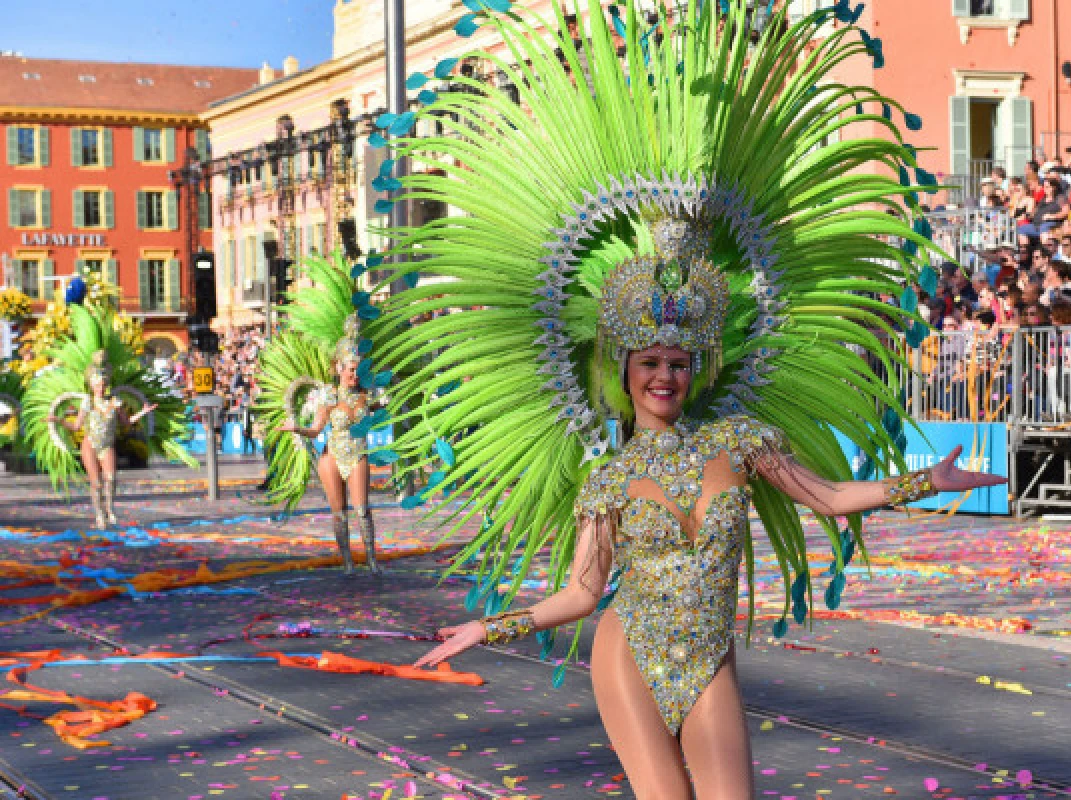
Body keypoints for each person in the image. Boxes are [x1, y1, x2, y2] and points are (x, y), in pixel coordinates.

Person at [376, 3, 1007, 795]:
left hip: (708, 658)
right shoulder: (605, 475)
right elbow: (579, 591)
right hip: (627, 649)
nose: (665, 375)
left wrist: (926, 481)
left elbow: (835, 498)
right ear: (622, 366)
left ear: (700, 365)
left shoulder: (744, 440)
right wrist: (485, 626)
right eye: (649, 362)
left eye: (679, 360)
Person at [261, 257, 392, 576]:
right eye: (348, 369)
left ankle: (372, 560)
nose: (352, 374)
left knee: (363, 510)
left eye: (355, 369)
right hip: (331, 456)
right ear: (338, 369)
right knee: (340, 514)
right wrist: (297, 428)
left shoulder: (367, 395)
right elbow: (317, 428)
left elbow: (392, 403)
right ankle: (348, 563)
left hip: (358, 455)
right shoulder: (329, 396)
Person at [24, 306, 193, 528]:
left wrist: (142, 413)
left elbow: (125, 423)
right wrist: (57, 421)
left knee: (111, 480)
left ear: (107, 383)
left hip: (107, 445)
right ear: (92, 384)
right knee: (95, 483)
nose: (100, 386)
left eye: (103, 382)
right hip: (90, 444)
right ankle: (98, 515)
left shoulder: (115, 401)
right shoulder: (87, 401)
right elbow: (76, 427)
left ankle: (110, 510)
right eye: (97, 383)